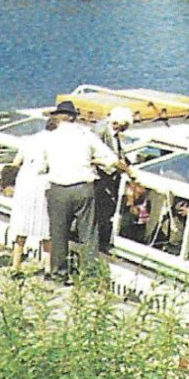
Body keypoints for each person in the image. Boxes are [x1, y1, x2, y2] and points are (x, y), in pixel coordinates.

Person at [34, 99, 132, 283]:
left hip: (59, 188)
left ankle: (59, 273)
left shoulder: (50, 137)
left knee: (58, 232)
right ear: (73, 118)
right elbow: (110, 159)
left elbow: (39, 167)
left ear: (58, 118)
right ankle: (90, 274)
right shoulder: (85, 135)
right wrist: (130, 172)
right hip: (84, 188)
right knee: (88, 232)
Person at [8, 117, 57, 274]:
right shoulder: (57, 143)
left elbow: (16, 162)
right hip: (44, 185)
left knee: (22, 225)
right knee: (47, 228)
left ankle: (15, 266)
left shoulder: (29, 140)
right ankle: (48, 268)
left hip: (25, 184)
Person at [94, 106, 134, 252]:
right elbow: (96, 155)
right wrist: (119, 167)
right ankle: (99, 243)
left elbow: (118, 152)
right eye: (126, 126)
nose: (126, 129)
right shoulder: (100, 131)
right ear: (118, 123)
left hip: (111, 177)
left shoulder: (113, 133)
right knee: (101, 211)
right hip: (100, 179)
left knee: (108, 210)